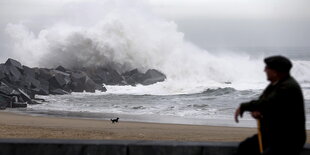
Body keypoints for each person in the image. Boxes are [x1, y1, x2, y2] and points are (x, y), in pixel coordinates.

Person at [234, 55, 306, 155]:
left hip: (288, 139)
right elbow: (264, 103)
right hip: (273, 135)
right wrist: (258, 111)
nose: (264, 70)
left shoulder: (288, 87)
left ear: (276, 72)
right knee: (245, 147)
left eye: (267, 68)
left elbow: (268, 103)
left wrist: (244, 106)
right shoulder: (275, 84)